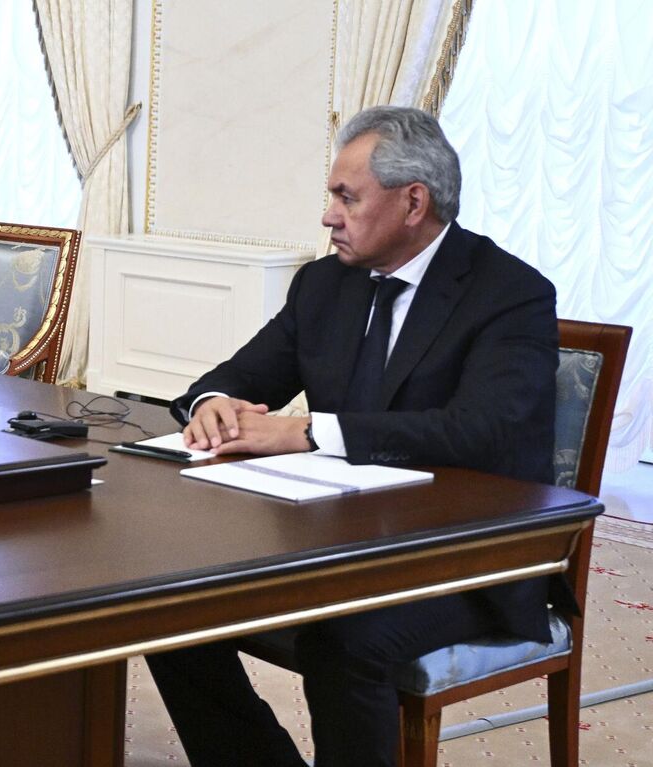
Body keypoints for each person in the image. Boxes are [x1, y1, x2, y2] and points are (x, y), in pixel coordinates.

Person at [147, 106, 559, 766]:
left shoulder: (508, 294)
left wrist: (310, 431)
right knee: (162, 601)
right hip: (340, 541)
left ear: (413, 202)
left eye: (346, 196)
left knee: (346, 638)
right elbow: (241, 373)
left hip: (471, 557)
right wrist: (214, 402)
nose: (328, 215)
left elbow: (481, 430)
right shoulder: (324, 283)